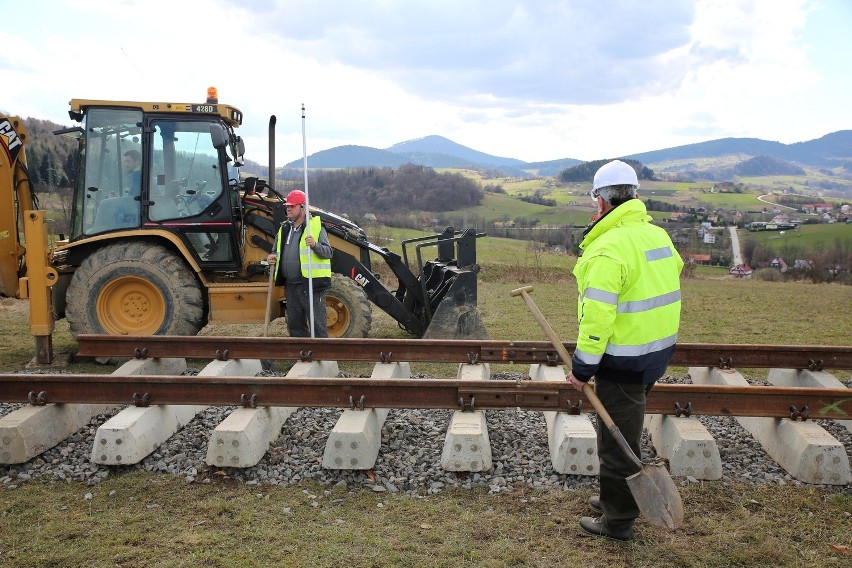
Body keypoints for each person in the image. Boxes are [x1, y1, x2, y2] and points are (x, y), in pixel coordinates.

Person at [566, 160, 683, 541]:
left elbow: (597, 320)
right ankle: (613, 497)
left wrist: (582, 368)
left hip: (623, 361)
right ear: (635, 195)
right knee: (621, 429)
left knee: (617, 441)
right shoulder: (656, 235)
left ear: (600, 202)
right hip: (655, 355)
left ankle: (617, 521)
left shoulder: (606, 248)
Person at [267, 190, 333, 337]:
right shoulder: (284, 228)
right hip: (290, 285)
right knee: (295, 324)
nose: (288, 209)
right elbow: (275, 252)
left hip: (310, 285)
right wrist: (271, 258)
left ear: (303, 208)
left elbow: (328, 252)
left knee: (318, 324)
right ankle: (302, 355)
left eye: (292, 206)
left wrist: (315, 245)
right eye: (287, 206)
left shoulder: (315, 227)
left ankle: (323, 356)